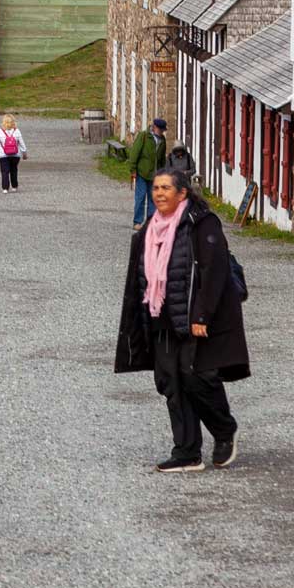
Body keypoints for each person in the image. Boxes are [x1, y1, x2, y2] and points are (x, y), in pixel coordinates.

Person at [114, 169, 248, 473]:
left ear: (182, 193)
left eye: (166, 188)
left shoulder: (201, 224)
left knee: (197, 377)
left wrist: (202, 314)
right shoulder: (151, 228)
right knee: (170, 383)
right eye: (156, 188)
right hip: (160, 315)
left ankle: (224, 429)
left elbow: (214, 272)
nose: (159, 193)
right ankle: (187, 452)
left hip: (192, 318)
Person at [126, 119, 169, 229]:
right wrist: (133, 170)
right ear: (154, 127)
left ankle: (151, 222)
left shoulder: (162, 140)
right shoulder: (144, 136)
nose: (162, 132)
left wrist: (163, 173)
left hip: (155, 175)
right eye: (161, 129)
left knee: (153, 199)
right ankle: (137, 222)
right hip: (142, 173)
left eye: (163, 130)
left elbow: (162, 159)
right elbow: (135, 153)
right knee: (140, 198)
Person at [0, 114, 28, 193]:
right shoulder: (17, 131)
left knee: (4, 171)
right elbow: (22, 144)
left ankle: (5, 188)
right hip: (15, 155)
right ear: (13, 122)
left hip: (3, 155)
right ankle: (14, 186)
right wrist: (24, 154)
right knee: (14, 170)